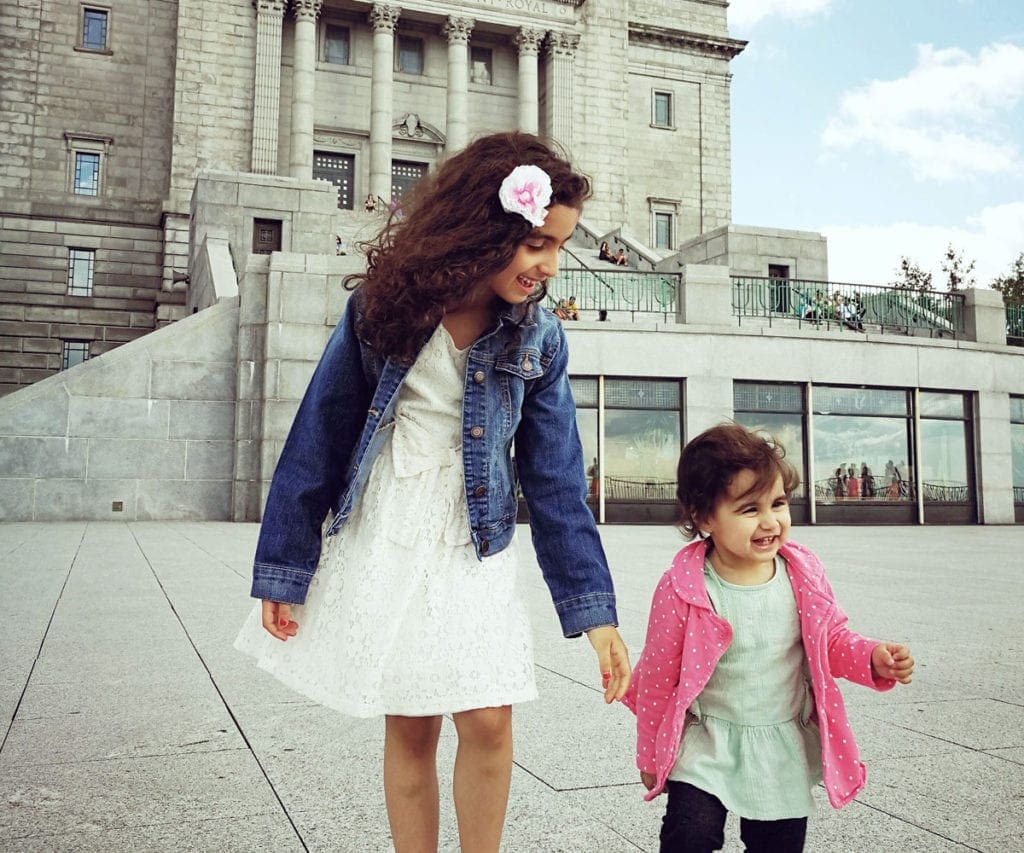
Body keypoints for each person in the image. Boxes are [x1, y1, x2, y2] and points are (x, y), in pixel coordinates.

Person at [234, 132, 632, 853]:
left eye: (559, 247)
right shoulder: (386, 307)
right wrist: (286, 567)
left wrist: (592, 610)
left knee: (488, 716)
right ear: (487, 226)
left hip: (472, 533)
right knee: (410, 716)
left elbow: (556, 478)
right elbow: (319, 432)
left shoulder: (540, 338)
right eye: (537, 242)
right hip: (389, 521)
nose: (547, 265)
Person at [623, 423, 914, 852]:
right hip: (706, 740)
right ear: (704, 517)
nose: (770, 522)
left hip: (780, 741)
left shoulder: (802, 574)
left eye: (778, 503)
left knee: (778, 843)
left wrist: (871, 657)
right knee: (690, 834)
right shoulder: (684, 587)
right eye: (748, 509)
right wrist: (650, 754)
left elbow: (830, 638)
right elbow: (658, 679)